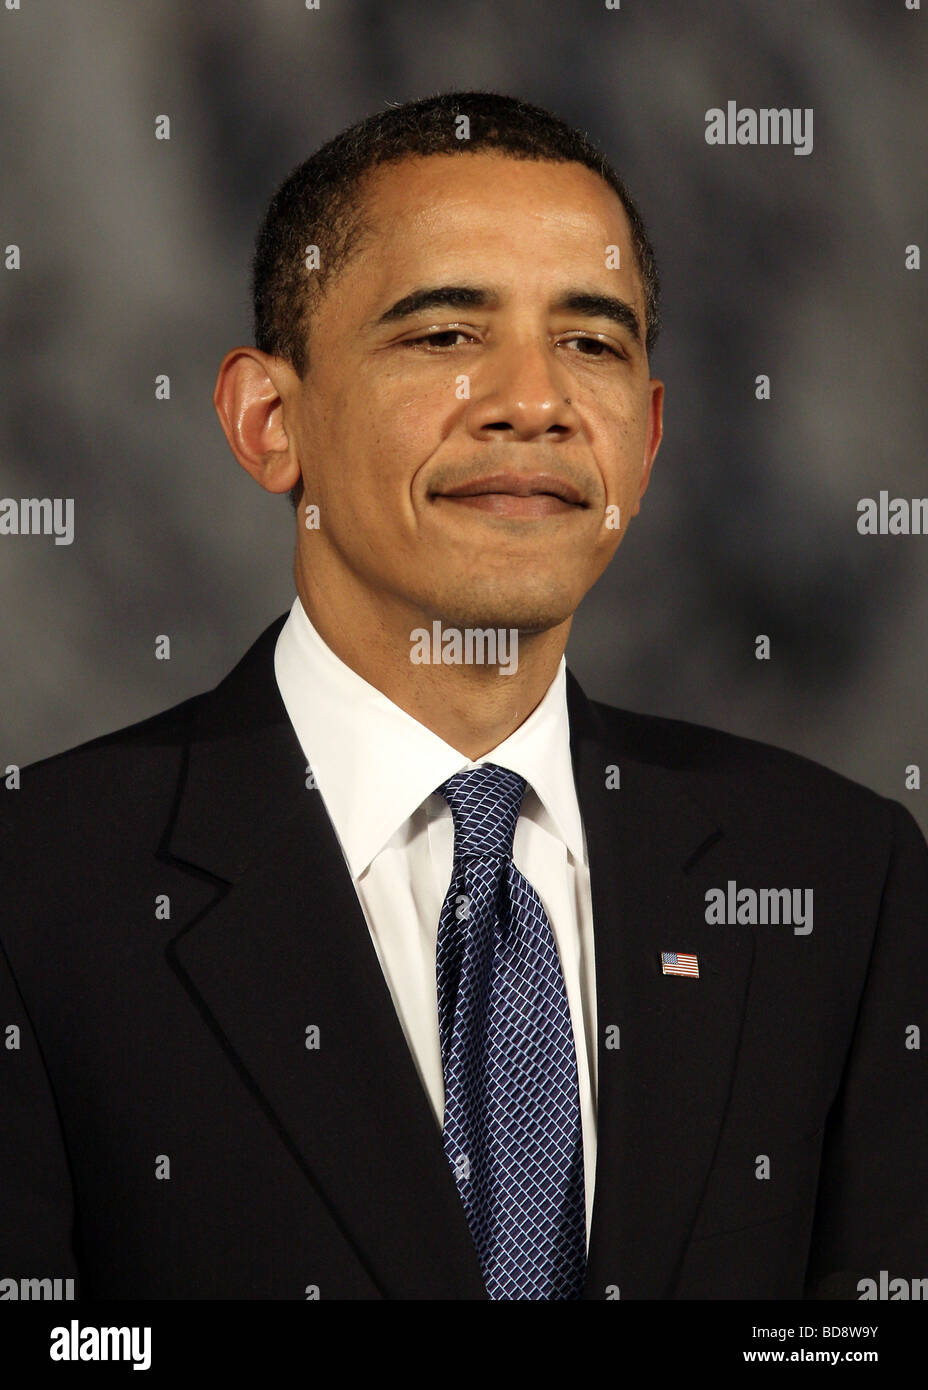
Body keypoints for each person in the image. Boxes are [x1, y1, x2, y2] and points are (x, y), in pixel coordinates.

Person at [2, 91, 925, 1301]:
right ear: (267, 419)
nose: (532, 400)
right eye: (444, 336)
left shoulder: (841, 879)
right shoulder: (36, 891)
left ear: (644, 440)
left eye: (590, 342)